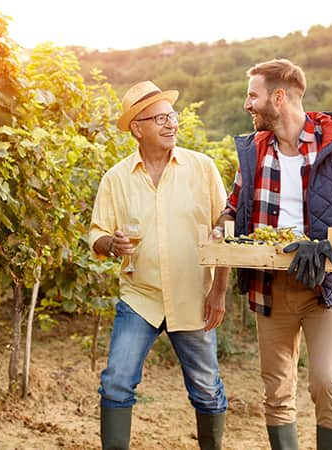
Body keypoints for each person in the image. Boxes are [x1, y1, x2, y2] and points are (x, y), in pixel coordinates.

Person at [213, 59, 332, 450]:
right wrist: (220, 226)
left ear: (279, 98)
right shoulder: (255, 152)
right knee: (277, 392)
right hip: (269, 287)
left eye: (253, 95)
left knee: (327, 381)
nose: (247, 104)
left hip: (324, 287)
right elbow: (232, 206)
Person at [89, 80, 230, 450]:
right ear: (138, 127)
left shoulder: (202, 168)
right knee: (116, 382)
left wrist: (218, 292)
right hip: (141, 297)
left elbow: (227, 225)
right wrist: (112, 244)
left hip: (192, 296)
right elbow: (97, 236)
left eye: (172, 116)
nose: (171, 124)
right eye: (160, 118)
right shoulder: (115, 179)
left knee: (206, 390)